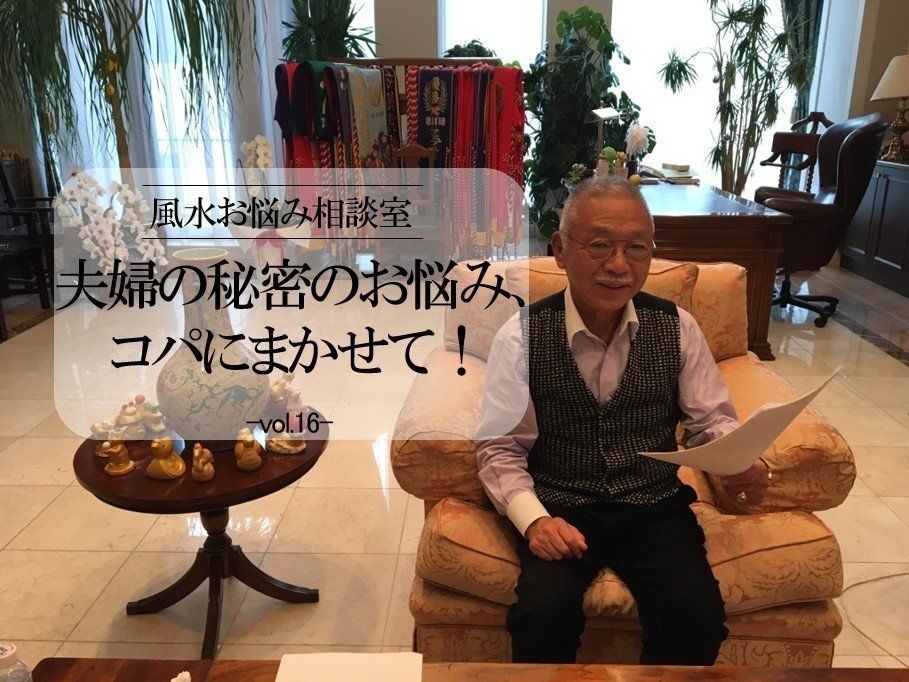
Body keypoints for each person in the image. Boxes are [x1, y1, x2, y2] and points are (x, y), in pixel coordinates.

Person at [475, 174, 772, 665]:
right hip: (559, 504)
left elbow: (711, 423)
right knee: (541, 616)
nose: (618, 265)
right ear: (561, 250)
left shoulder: (677, 327)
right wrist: (535, 521)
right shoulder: (521, 336)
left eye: (636, 248)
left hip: (652, 505)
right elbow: (500, 447)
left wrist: (743, 458)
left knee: (694, 616)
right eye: (599, 245)